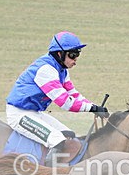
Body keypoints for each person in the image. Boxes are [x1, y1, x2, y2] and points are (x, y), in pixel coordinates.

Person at [6, 31, 109, 164]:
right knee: (57, 141)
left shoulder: (62, 70)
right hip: (19, 114)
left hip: (35, 113)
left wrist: (95, 107)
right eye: (73, 55)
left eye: (77, 55)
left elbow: (74, 95)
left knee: (69, 135)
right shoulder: (46, 70)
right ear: (59, 53)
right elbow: (66, 103)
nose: (75, 60)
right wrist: (92, 108)